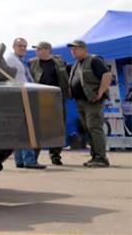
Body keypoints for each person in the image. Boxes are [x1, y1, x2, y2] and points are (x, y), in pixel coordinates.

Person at [68, 39, 112, 168]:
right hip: (80, 101)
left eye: (76, 48)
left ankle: (101, 157)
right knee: (88, 129)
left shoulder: (94, 60)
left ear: (84, 49)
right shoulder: (77, 64)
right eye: (72, 49)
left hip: (92, 101)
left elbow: (107, 75)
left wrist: (100, 92)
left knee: (94, 127)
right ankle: (95, 156)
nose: (73, 51)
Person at [5, 38, 46, 169]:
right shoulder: (10, 59)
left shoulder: (20, 60)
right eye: (20, 46)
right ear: (13, 46)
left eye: (24, 46)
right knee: (27, 129)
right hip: (20, 96)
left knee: (20, 129)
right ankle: (29, 160)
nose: (22, 48)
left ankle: (20, 160)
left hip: (22, 95)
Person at [29, 42, 71, 165]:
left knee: (57, 127)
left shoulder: (59, 62)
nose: (37, 51)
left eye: (39, 49)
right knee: (37, 127)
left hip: (56, 97)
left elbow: (67, 76)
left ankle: (55, 155)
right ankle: (33, 156)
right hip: (38, 97)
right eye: (36, 49)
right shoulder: (31, 63)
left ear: (48, 50)